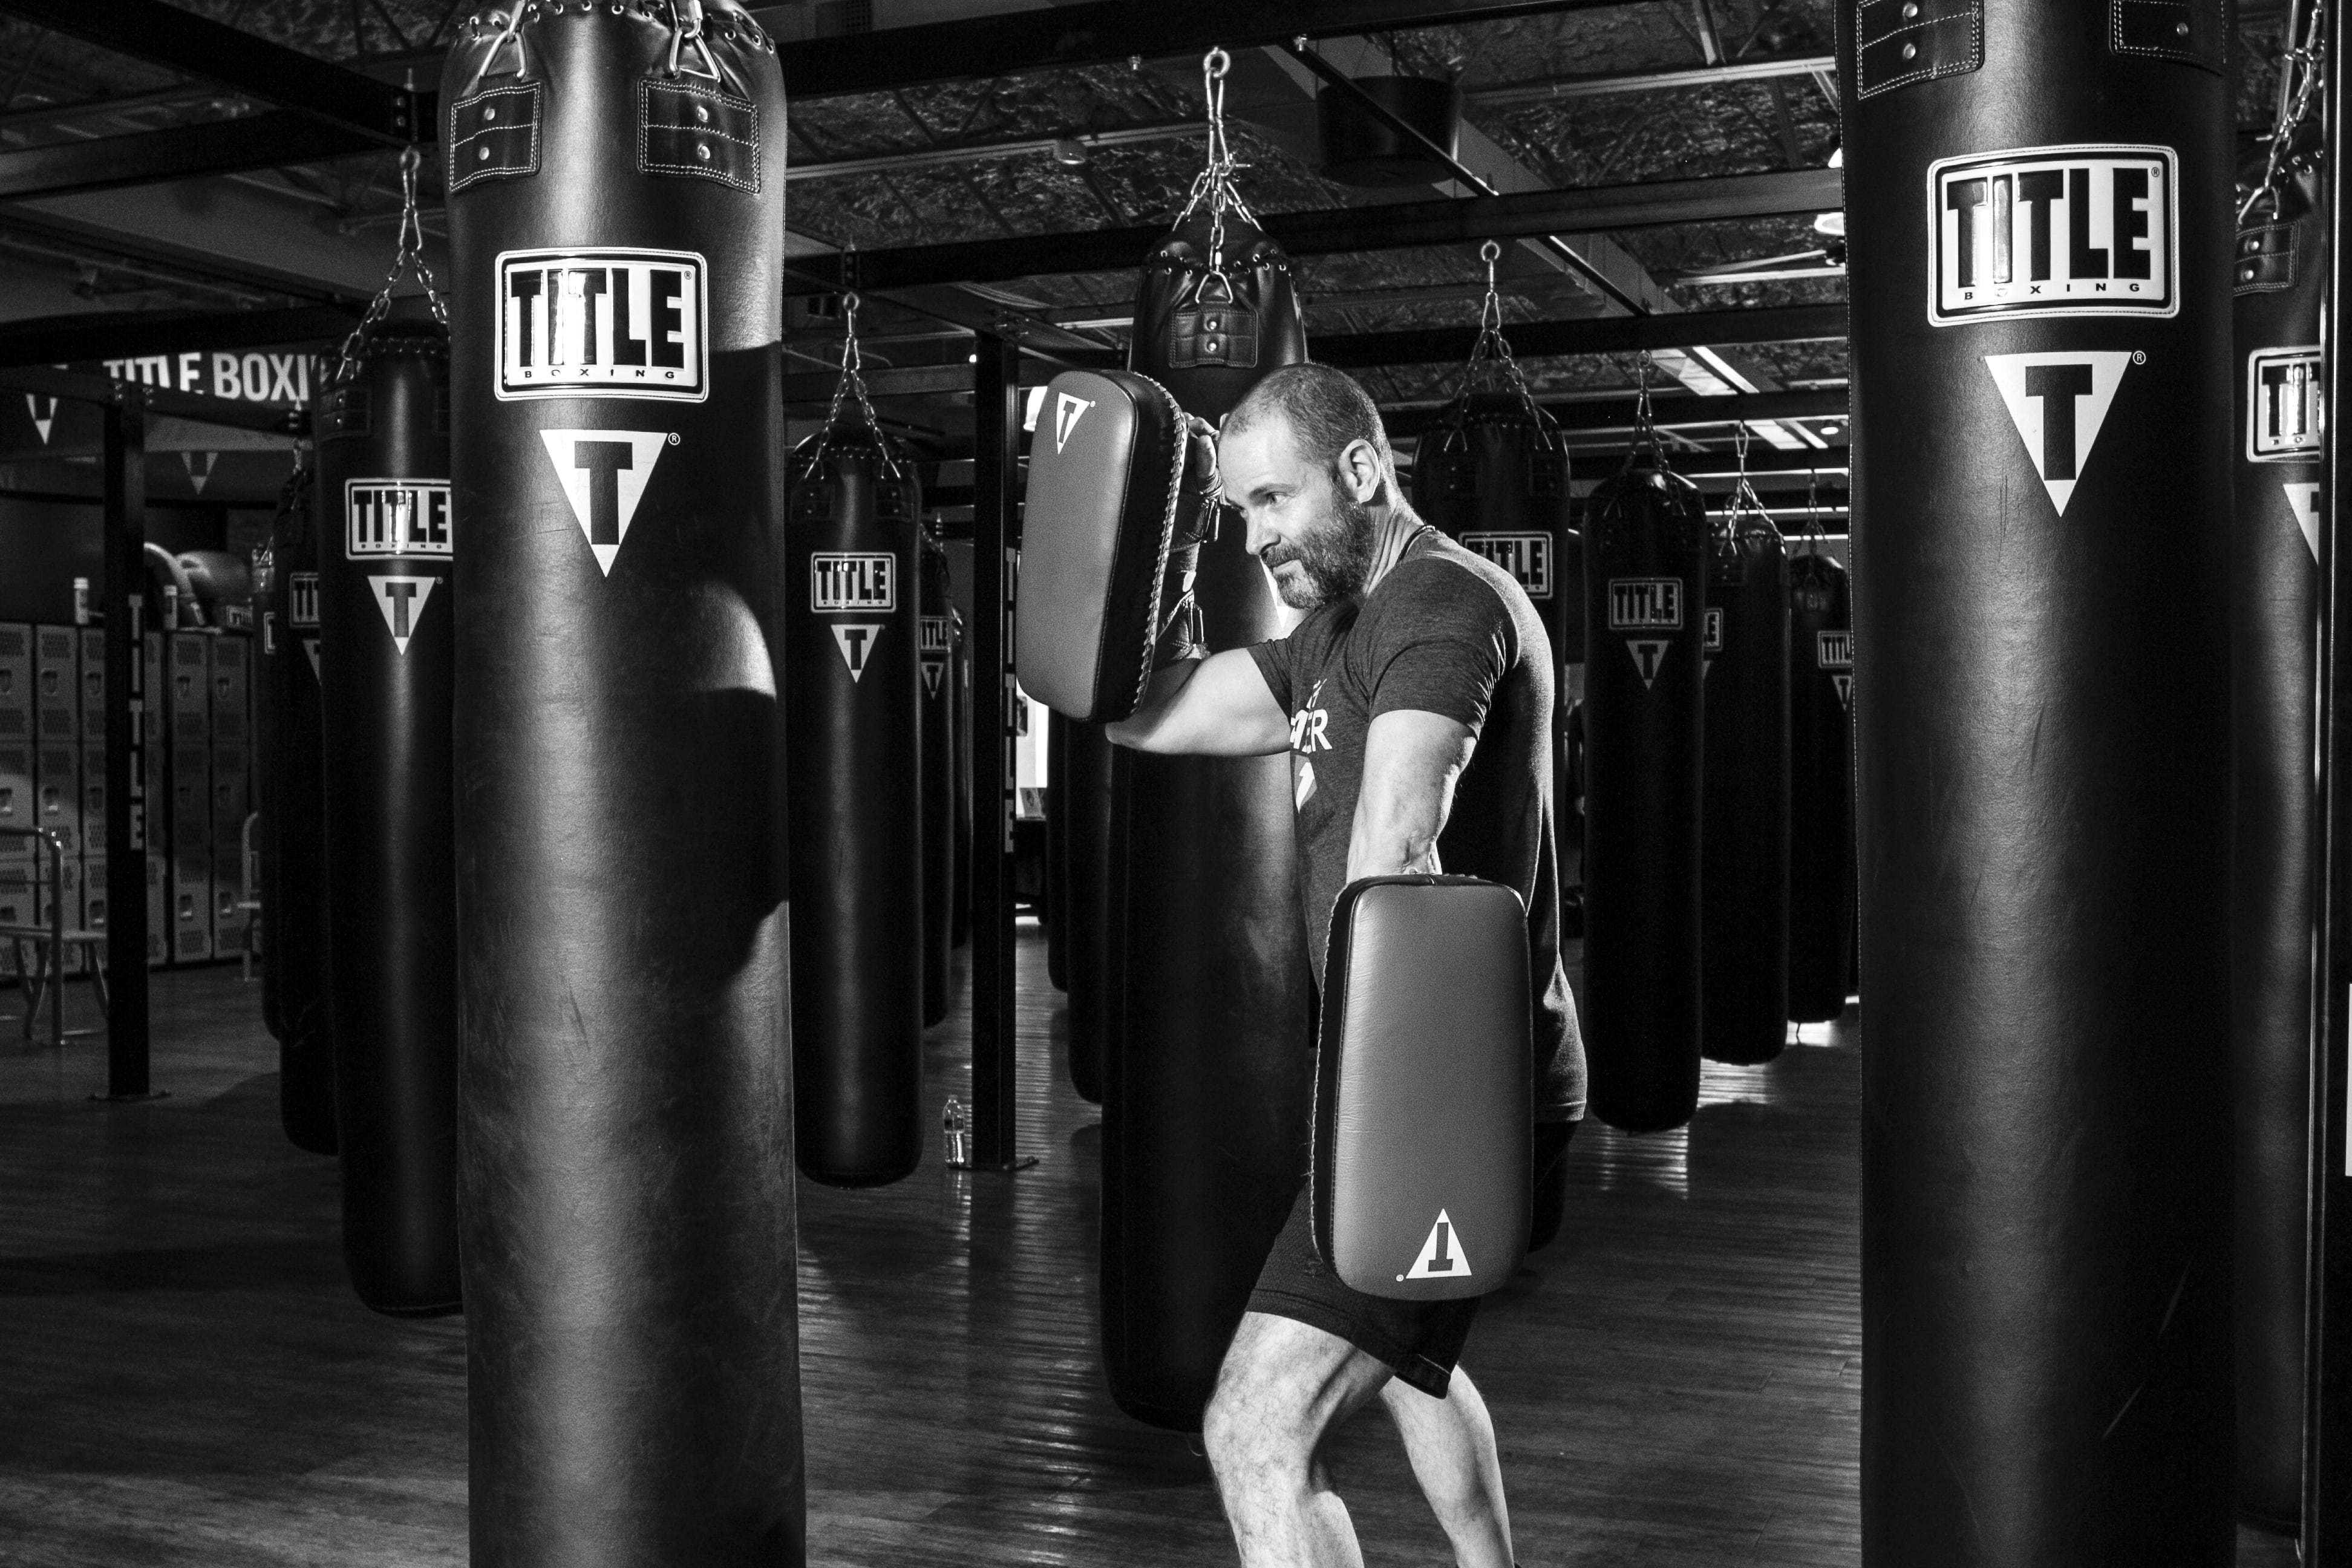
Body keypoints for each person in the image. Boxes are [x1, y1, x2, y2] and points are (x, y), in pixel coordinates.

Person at [1106, 362, 1585, 1568]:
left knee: (1257, 1429)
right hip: (1426, 1071)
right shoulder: (1333, 634)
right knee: (1415, 1361)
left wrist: (1366, 1111)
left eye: (1273, 501)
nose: (1255, 537)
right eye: (1238, 515)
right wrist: (1129, 609)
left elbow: (1402, 836)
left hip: (1442, 1090)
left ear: (1364, 471)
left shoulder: (1439, 604)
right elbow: (1154, 719)